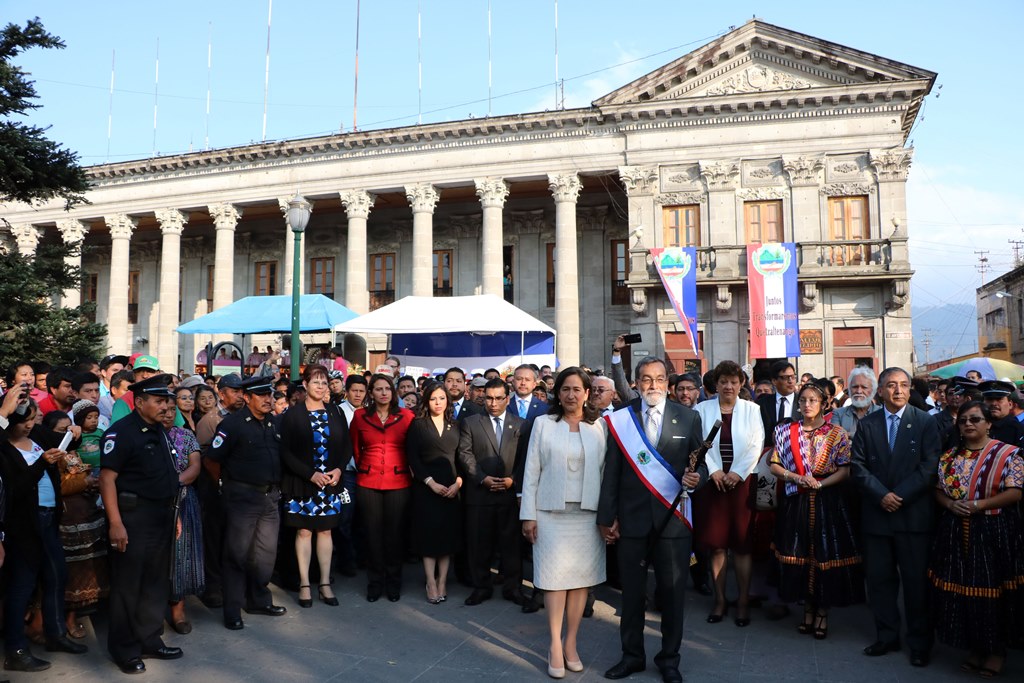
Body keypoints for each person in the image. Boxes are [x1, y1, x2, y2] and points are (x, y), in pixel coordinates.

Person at [598, 357, 706, 683]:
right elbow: (611, 473)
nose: (653, 385)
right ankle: (631, 656)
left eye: (659, 379)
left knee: (672, 595)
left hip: (672, 521)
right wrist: (607, 517)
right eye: (646, 379)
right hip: (631, 521)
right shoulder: (621, 420)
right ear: (636, 383)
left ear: (667, 383)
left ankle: (669, 659)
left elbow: (699, 463)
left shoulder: (688, 418)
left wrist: (696, 478)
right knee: (631, 594)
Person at [850, 367, 941, 667]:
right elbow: (858, 466)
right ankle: (887, 636)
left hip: (912, 515)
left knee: (915, 584)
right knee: (879, 581)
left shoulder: (925, 422)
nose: (898, 391)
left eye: (903, 385)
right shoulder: (868, 423)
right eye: (891, 385)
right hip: (877, 517)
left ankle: (919, 642)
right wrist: (881, 495)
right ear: (881, 390)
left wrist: (898, 495)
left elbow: (929, 468)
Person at [520, 368, 607, 679]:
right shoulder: (543, 424)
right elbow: (531, 471)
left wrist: (609, 518)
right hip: (549, 514)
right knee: (554, 581)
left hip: (587, 516)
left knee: (580, 580)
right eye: (565, 389)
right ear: (557, 393)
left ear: (587, 393)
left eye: (577, 389)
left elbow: (605, 472)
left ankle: (571, 643)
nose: (572, 395)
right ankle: (555, 644)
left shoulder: (600, 426)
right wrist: (527, 514)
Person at [929, 400, 1024, 677]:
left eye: (975, 419)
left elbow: (1016, 491)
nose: (969, 424)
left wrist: (978, 506)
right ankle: (975, 646)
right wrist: (949, 505)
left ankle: (996, 650)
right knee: (962, 589)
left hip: (993, 530)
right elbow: (938, 490)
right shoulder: (949, 457)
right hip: (956, 531)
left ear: (988, 423)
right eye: (963, 420)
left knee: (992, 591)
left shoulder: (1008, 454)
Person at [98, 374, 183, 674]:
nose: (166, 407)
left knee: (155, 583)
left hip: (161, 516)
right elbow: (107, 479)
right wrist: (115, 523)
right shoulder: (121, 433)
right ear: (140, 401)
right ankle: (124, 649)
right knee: (128, 587)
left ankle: (149, 639)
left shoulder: (159, 431)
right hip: (133, 519)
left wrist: (175, 516)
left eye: (168, 401)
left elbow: (166, 476)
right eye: (159, 401)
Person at [0, 391, 88, 673]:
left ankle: (56, 634)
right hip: (23, 523)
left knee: (56, 575)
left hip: (49, 517)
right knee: (21, 585)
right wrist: (42, 463)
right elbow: (16, 486)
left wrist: (74, 434)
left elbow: (66, 442)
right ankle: (16, 650)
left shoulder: (37, 435)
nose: (30, 425)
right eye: (24, 420)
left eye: (33, 419)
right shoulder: (4, 449)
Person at [768, 381, 864, 639]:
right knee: (800, 553)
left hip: (827, 501)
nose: (807, 405)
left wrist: (819, 484)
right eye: (803, 400)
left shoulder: (837, 434)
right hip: (796, 499)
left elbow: (845, 471)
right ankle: (807, 609)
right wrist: (796, 478)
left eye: (813, 400)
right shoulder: (788, 432)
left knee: (823, 555)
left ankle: (822, 611)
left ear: (824, 404)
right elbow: (774, 465)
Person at [206, 377, 288, 630]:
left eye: (269, 395)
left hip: (270, 498)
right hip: (242, 498)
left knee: (264, 555)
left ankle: (258, 600)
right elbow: (212, 459)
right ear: (248, 397)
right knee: (237, 555)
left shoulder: (274, 422)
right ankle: (232, 610)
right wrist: (224, 485)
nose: (268, 399)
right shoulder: (232, 424)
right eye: (261, 395)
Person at [693, 360, 765, 627]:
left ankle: (743, 600)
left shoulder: (752, 409)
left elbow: (756, 444)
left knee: (743, 546)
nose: (728, 386)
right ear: (716, 383)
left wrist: (736, 472)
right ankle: (720, 599)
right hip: (712, 485)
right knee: (717, 546)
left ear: (741, 384)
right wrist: (713, 471)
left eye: (734, 382)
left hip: (742, 483)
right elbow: (699, 443)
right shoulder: (702, 409)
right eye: (723, 381)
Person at [279, 365, 351, 609]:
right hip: (302, 482)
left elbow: (347, 447)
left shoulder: (336, 412)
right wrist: (310, 474)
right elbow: (285, 452)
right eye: (316, 382)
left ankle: (324, 582)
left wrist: (339, 470)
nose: (321, 387)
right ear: (306, 385)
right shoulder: (293, 414)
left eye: (324, 382)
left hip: (330, 483)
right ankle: (304, 584)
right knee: (304, 532)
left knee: (325, 531)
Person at [457, 378, 526, 605]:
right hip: (480, 495)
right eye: (489, 397)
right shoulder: (471, 422)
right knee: (479, 544)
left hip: (509, 495)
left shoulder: (521, 424)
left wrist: (512, 480)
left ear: (508, 398)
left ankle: (513, 588)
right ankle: (481, 586)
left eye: (498, 398)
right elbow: (465, 455)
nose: (493, 403)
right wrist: (482, 478)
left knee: (511, 545)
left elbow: (526, 459)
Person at [349, 373, 415, 602]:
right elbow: (356, 450)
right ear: (371, 393)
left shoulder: (407, 416)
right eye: (378, 389)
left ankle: (394, 583)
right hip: (368, 481)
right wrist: (368, 468)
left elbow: (412, 449)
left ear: (393, 391)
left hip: (399, 482)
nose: (384, 393)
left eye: (387, 388)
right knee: (372, 535)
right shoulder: (359, 416)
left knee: (395, 535)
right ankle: (375, 583)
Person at [406, 381, 463, 604]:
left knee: (447, 538)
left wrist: (458, 482)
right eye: (433, 399)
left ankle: (443, 582)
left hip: (452, 488)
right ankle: (430, 581)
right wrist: (430, 482)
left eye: (441, 398)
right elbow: (412, 458)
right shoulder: (418, 425)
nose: (438, 403)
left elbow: (462, 457)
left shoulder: (456, 425)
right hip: (426, 488)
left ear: (447, 399)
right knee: (428, 537)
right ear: (426, 400)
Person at [58, 401, 109, 640]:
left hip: (87, 515)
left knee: (90, 566)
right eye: (62, 431)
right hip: (67, 521)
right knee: (72, 572)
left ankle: (88, 611)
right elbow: (61, 485)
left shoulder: (72, 453)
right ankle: (68, 618)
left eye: (70, 430)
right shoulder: (48, 456)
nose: (70, 434)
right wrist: (85, 483)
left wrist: (89, 483)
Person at [194, 372, 245, 609]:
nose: (240, 396)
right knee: (214, 538)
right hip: (216, 488)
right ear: (221, 394)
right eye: (234, 391)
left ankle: (232, 584)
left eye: (241, 391)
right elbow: (208, 459)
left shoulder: (245, 417)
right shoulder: (211, 420)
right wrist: (221, 484)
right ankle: (212, 587)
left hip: (240, 488)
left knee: (234, 539)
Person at [161, 404, 204, 634]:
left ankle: (178, 610)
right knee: (157, 557)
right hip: (154, 502)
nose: (168, 414)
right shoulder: (148, 434)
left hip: (184, 500)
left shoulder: (186, 435)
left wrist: (174, 484)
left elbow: (195, 466)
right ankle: (155, 612)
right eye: (163, 409)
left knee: (183, 555)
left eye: (171, 410)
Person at [335, 374, 367, 577]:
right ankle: (345, 560)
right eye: (354, 390)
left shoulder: (369, 412)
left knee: (363, 518)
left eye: (362, 391)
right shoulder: (338, 411)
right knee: (345, 517)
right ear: (346, 391)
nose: (358, 394)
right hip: (346, 472)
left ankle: (361, 557)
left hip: (366, 473)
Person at [831, 366, 880, 441]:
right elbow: (835, 439)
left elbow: (879, 437)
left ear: (873, 390)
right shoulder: (838, 414)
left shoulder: (881, 413)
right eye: (855, 387)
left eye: (864, 387)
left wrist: (849, 434)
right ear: (849, 389)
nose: (859, 391)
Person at [979, 380, 1024, 448]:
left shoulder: (1018, 430)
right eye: (989, 399)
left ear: (1010, 404)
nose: (994, 403)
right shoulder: (975, 425)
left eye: (999, 399)